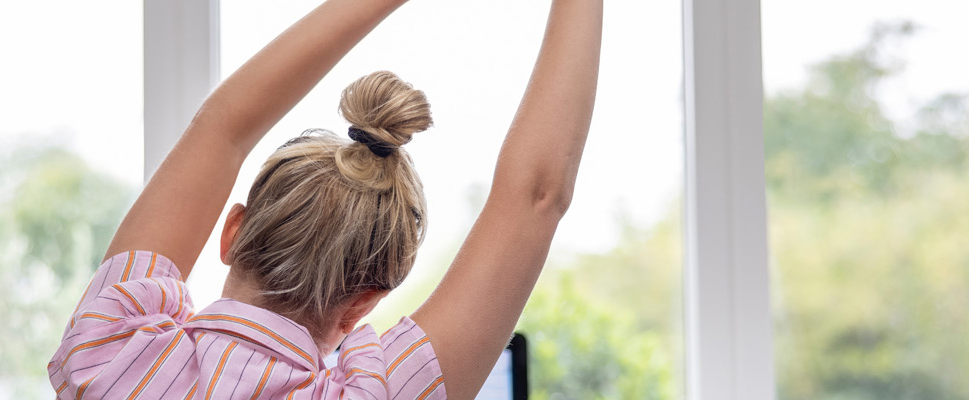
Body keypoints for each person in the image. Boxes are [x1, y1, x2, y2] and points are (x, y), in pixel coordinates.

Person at [47, 0, 601, 397]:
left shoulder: (111, 350)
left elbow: (218, 132)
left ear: (233, 230)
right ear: (363, 302)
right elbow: (536, 198)